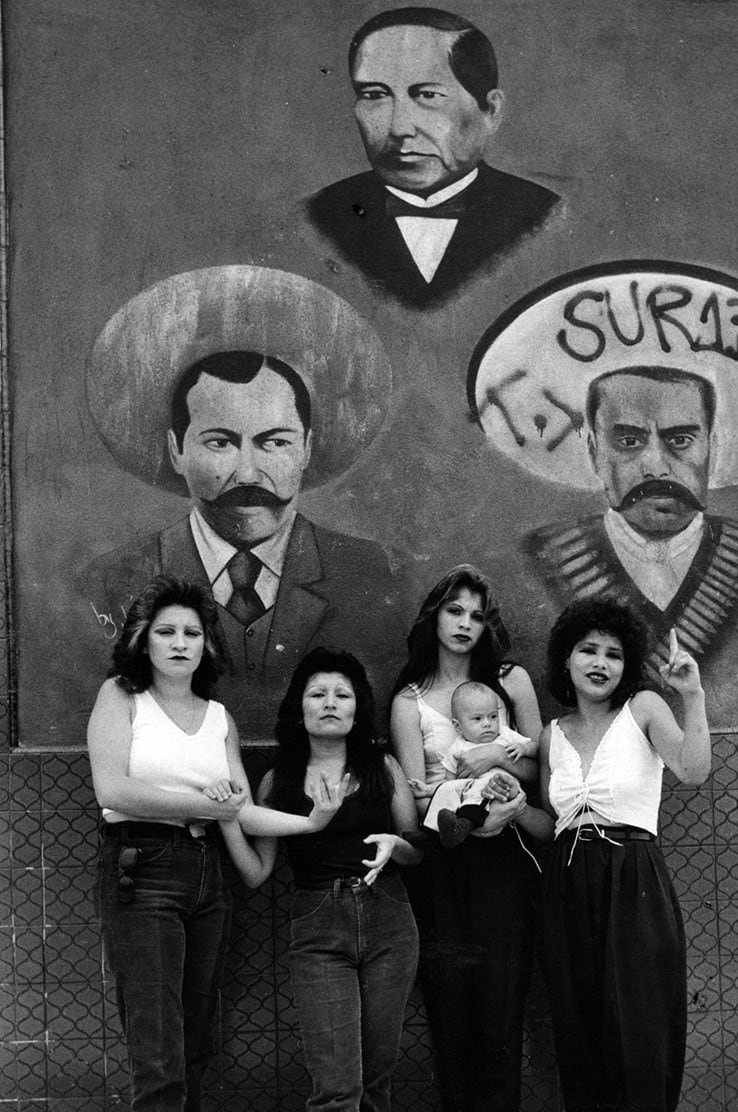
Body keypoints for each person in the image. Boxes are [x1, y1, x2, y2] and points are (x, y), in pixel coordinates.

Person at [86, 575, 321, 1112]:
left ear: (206, 644)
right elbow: (114, 790)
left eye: (192, 633)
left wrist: (313, 824)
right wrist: (205, 803)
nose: (181, 643)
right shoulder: (120, 699)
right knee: (157, 1053)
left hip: (206, 878)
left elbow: (240, 813)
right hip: (144, 870)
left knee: (194, 1046)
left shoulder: (217, 716)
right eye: (167, 632)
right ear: (143, 641)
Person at [82, 267, 396, 739]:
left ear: (306, 448)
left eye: (274, 443)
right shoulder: (111, 580)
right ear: (176, 450)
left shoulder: (372, 572)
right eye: (220, 443)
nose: (247, 473)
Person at [217, 647, 422, 1112]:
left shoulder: (382, 766)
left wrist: (397, 845)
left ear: (358, 707)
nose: (329, 703)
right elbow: (256, 874)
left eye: (341, 693)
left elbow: (418, 850)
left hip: (390, 921)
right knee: (337, 1082)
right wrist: (227, 820)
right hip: (318, 929)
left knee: (378, 1073)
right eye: (316, 693)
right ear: (298, 708)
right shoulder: (280, 779)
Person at [515, 596, 711, 1112]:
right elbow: (552, 823)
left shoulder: (645, 709)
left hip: (634, 881)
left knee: (639, 1036)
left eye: (612, 652)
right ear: (565, 659)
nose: (599, 662)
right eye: (587, 649)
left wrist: (693, 695)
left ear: (625, 665)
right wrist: (514, 809)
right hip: (568, 886)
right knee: (582, 1034)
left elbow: (691, 768)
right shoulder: (553, 733)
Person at [389, 565, 541, 1112]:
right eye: (454, 610)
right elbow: (416, 792)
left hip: (504, 862)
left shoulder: (510, 684)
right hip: (441, 866)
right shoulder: (408, 700)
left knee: (498, 1017)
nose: (464, 623)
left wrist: (494, 764)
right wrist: (436, 788)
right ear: (435, 617)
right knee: (451, 1017)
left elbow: (543, 763)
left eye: (476, 614)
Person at [525, 366, 738, 679]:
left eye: (681, 440)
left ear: (712, 449)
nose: (656, 466)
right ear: (594, 453)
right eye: (629, 441)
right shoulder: (541, 554)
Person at [306, 7, 561, 307]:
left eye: (427, 96)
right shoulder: (317, 216)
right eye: (375, 95)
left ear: (490, 111)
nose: (400, 128)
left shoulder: (541, 214)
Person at [410, 679, 535, 847]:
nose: (487, 723)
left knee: (480, 791)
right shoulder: (457, 748)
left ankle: (461, 828)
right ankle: (429, 833)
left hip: (498, 792)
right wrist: (428, 790)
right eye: (477, 718)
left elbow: (536, 747)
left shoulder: (505, 736)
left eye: (493, 716)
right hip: (467, 791)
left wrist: (523, 749)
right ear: (458, 727)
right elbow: (451, 783)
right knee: (447, 792)